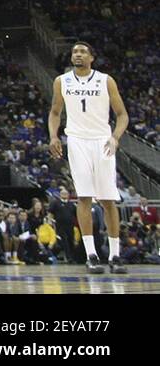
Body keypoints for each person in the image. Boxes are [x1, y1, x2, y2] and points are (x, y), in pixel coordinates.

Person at [48, 40, 130, 274]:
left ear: (92, 57)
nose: (78, 55)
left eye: (83, 52)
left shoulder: (106, 80)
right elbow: (55, 112)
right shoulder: (61, 81)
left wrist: (115, 137)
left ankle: (115, 256)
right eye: (75, 52)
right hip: (76, 140)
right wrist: (53, 136)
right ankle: (91, 255)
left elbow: (122, 115)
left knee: (107, 200)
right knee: (84, 197)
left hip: (102, 141)